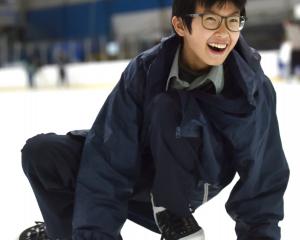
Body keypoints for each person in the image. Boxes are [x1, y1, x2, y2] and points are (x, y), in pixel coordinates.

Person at [20, 0, 289, 240]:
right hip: (139, 174)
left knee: (169, 105)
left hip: (188, 186)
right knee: (44, 154)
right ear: (180, 25)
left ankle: (175, 215)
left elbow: (263, 179)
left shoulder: (252, 88)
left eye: (233, 20)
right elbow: (109, 158)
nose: (224, 32)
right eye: (210, 19)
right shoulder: (145, 71)